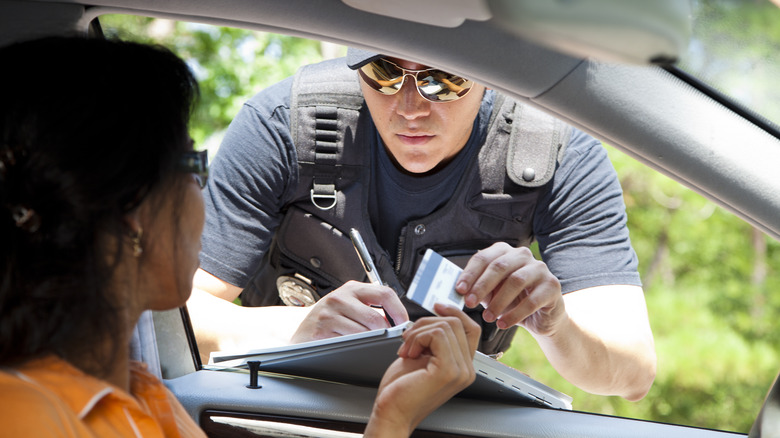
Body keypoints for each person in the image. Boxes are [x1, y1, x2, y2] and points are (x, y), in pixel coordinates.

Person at [0, 36, 479, 438]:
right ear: (131, 213)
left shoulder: (139, 392)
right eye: (192, 165)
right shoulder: (28, 414)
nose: (204, 189)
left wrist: (390, 415)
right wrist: (392, 421)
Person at [190, 48, 657, 401]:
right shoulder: (283, 126)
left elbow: (632, 372)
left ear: (490, 72)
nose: (411, 106)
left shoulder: (558, 153)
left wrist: (557, 327)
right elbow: (168, 313)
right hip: (286, 405)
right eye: (384, 73)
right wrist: (296, 331)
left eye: (444, 79)